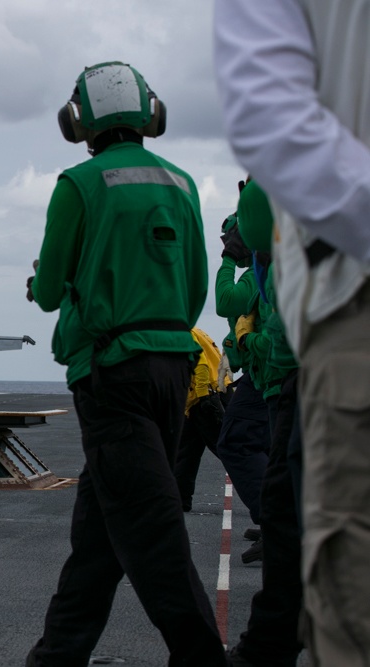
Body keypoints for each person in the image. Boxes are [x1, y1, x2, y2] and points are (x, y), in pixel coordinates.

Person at [25, 61, 226, 666]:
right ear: (149, 112)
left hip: (112, 377)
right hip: (172, 371)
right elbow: (196, 291)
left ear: (79, 120)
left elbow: (54, 288)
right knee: (97, 545)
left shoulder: (79, 183)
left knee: (152, 537)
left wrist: (42, 287)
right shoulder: (185, 184)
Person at [215, 2, 370, 663]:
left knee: (316, 537)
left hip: (323, 339)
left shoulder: (255, 258)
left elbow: (266, 122)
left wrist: (245, 345)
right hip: (290, 361)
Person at [226, 180, 304, 667]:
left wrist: (256, 350)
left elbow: (254, 227)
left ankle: (270, 647)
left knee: (286, 514)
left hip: (297, 381)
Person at [214, 209, 271, 551]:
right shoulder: (260, 273)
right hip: (261, 372)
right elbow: (240, 324)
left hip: (266, 375)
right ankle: (276, 523)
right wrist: (229, 355)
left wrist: (226, 261)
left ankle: (276, 522)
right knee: (265, 449)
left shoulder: (253, 275)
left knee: (235, 443)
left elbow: (225, 302)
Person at [173, 327, 226, 512]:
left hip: (203, 399)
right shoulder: (194, 329)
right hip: (205, 396)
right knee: (185, 452)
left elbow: (200, 364)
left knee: (232, 451)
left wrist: (203, 397)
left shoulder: (181, 332)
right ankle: (180, 500)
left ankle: (266, 503)